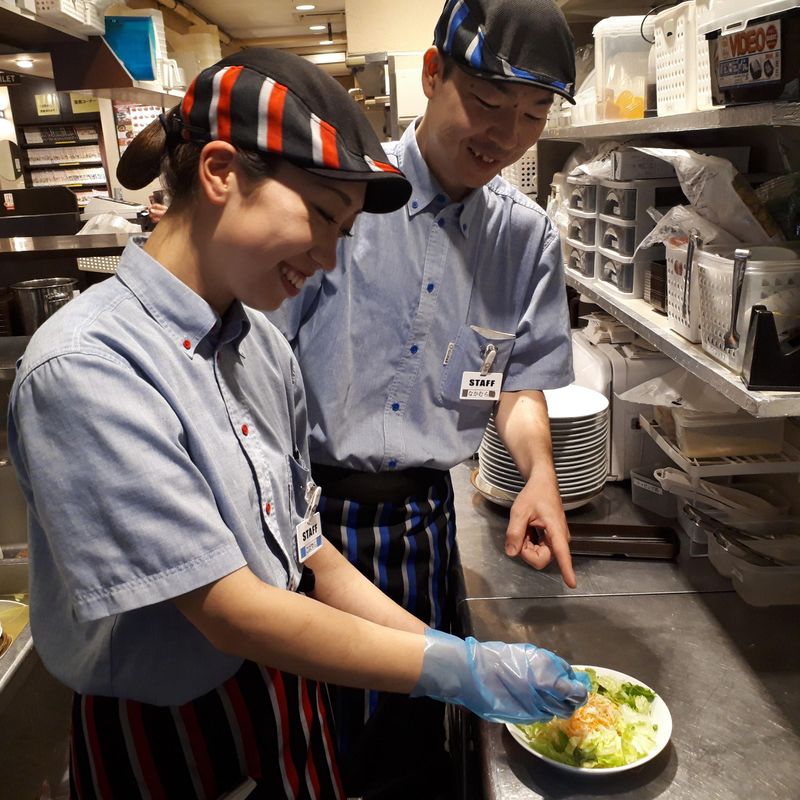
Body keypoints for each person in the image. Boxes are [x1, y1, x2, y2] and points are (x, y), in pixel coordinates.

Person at [7, 48, 590, 799]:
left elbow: (308, 552)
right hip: (165, 730)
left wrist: (447, 649)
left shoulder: (259, 348)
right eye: (321, 215)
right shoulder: (89, 367)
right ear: (221, 172)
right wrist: (457, 670)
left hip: (281, 698)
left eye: (342, 232)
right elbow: (232, 611)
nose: (328, 259)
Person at [272, 0, 580, 795]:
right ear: (432, 73)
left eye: (533, 114)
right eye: (487, 102)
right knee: (311, 747)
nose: (505, 136)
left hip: (423, 525)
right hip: (309, 518)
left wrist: (539, 476)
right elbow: (261, 368)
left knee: (408, 750)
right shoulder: (341, 199)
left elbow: (518, 382)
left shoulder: (527, 237)